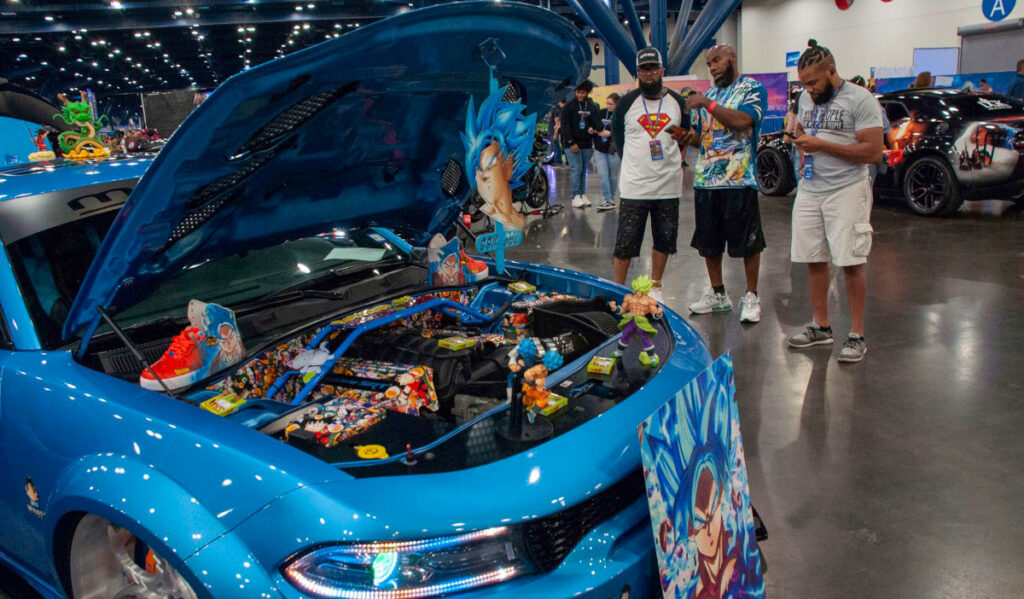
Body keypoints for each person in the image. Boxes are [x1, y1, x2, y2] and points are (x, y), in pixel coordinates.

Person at [787, 39, 884, 363]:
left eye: (813, 82)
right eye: (804, 84)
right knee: (814, 257)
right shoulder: (805, 98)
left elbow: (872, 152)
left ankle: (857, 335)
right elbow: (802, 129)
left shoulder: (860, 100)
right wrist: (802, 144)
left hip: (847, 190)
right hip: (811, 188)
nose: (809, 89)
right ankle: (821, 326)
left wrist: (821, 145)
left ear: (831, 71)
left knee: (850, 261)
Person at [677, 45, 767, 323]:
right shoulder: (711, 96)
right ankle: (718, 294)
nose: (712, 66)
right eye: (708, 63)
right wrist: (683, 136)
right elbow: (701, 139)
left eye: (717, 60)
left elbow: (741, 122)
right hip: (706, 181)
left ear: (733, 58)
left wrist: (706, 104)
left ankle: (751, 296)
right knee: (709, 244)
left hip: (739, 180)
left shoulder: (752, 89)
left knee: (748, 244)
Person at [610, 47, 690, 298]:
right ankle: (619, 290)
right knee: (625, 244)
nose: (649, 73)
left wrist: (674, 163)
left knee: (665, 240)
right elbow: (619, 139)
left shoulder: (677, 102)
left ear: (662, 70)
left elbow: (684, 137)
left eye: (653, 68)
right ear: (637, 72)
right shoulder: (626, 103)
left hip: (668, 186)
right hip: (635, 186)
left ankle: (655, 287)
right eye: (644, 69)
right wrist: (637, 163)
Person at [561, 81, 599, 208]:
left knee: (583, 170)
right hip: (572, 144)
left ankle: (583, 194)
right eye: (578, 92)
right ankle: (575, 196)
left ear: (587, 92)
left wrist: (592, 128)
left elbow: (596, 122)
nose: (580, 95)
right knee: (576, 169)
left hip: (587, 144)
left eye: (583, 92)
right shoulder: (568, 107)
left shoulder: (592, 106)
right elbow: (565, 126)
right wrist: (571, 142)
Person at [591, 93, 620, 211]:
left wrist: (611, 134)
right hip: (600, 148)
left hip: (614, 149)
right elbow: (595, 125)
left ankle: (611, 198)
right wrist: (593, 129)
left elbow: (624, 132)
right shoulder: (602, 113)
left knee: (613, 176)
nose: (608, 106)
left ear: (617, 104)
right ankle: (607, 199)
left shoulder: (620, 115)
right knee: (603, 175)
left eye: (611, 104)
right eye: (607, 103)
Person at [547, 99, 566, 166]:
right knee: (555, 146)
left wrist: (555, 133)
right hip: (554, 129)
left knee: (555, 146)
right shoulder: (559, 109)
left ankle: (558, 162)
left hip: (553, 130)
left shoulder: (556, 108)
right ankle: (558, 161)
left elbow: (557, 122)